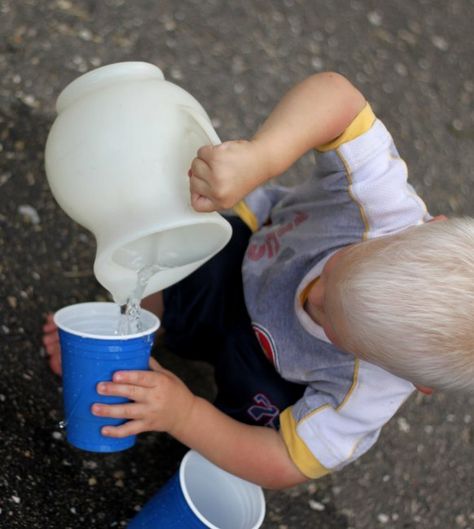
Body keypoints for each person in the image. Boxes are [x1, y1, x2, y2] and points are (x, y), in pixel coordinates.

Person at [43, 72, 474, 489]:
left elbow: (287, 464)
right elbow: (338, 97)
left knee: (248, 436)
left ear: (418, 383)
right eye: (335, 266)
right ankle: (121, 351)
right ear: (421, 227)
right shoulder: (381, 208)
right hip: (251, 259)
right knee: (170, 270)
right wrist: (262, 157)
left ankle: (191, 424)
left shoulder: (368, 391)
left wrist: (186, 416)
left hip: (269, 367)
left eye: (332, 324)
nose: (312, 296)